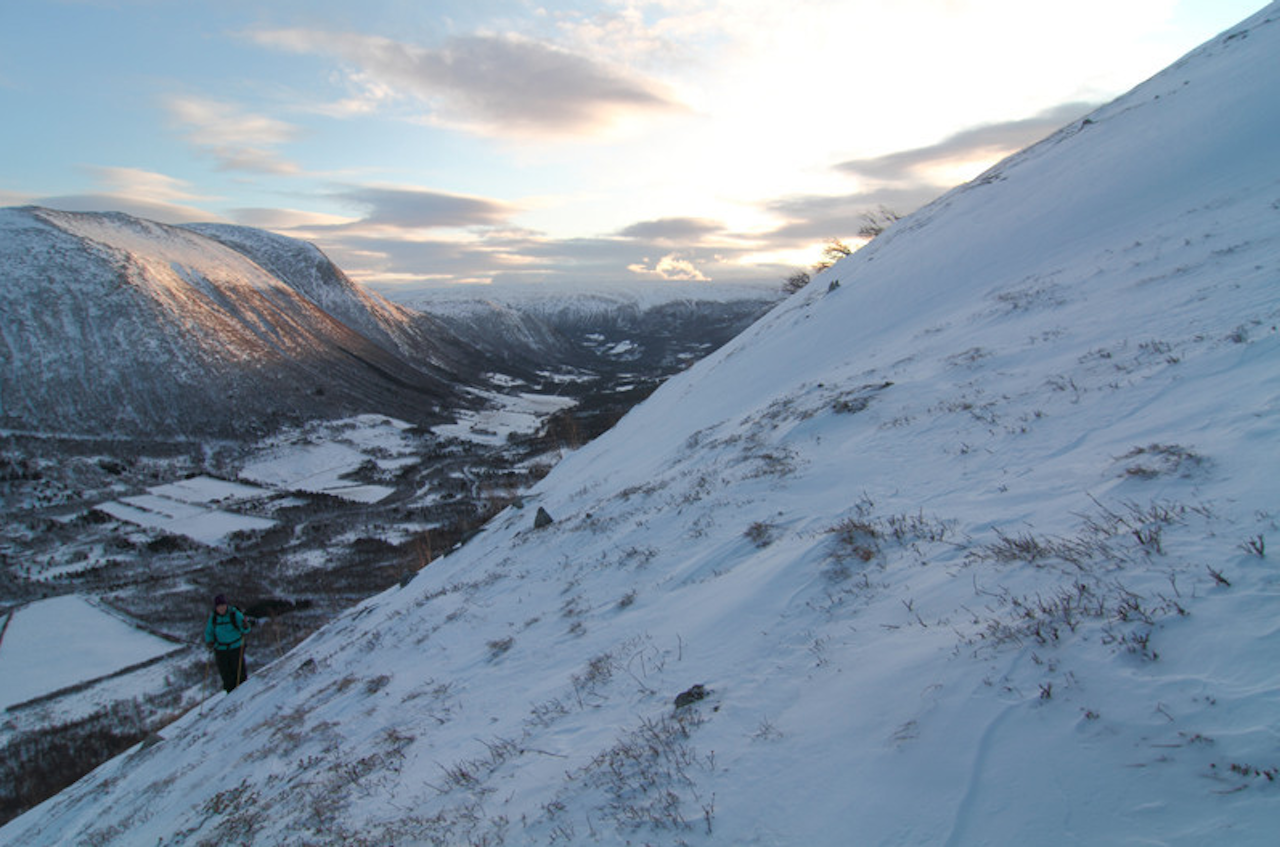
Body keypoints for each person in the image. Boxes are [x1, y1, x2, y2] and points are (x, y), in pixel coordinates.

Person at [205, 594, 251, 693]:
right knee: (226, 674)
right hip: (221, 649)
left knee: (239, 673)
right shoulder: (213, 618)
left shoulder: (235, 614)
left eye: (223, 605)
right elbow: (209, 632)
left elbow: (246, 629)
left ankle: (243, 693)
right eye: (219, 606)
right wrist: (210, 642)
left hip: (236, 647)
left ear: (226, 605)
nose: (221, 608)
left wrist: (245, 626)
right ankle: (230, 696)